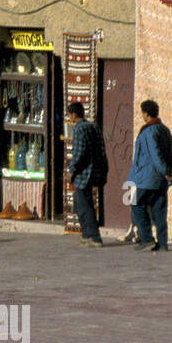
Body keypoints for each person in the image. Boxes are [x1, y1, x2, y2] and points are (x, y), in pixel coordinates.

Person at [129, 99, 172, 253]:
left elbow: (155, 154)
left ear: (146, 113)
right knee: (159, 211)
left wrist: (165, 171)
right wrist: (171, 171)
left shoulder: (149, 131)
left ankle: (147, 239)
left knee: (135, 204)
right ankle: (163, 243)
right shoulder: (164, 129)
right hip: (161, 179)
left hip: (146, 178)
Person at [65, 102, 108, 247]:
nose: (70, 118)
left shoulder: (79, 128)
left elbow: (79, 152)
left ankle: (95, 236)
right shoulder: (94, 127)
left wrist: (72, 170)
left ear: (74, 114)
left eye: (70, 114)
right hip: (94, 170)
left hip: (84, 173)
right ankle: (86, 234)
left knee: (84, 204)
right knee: (81, 200)